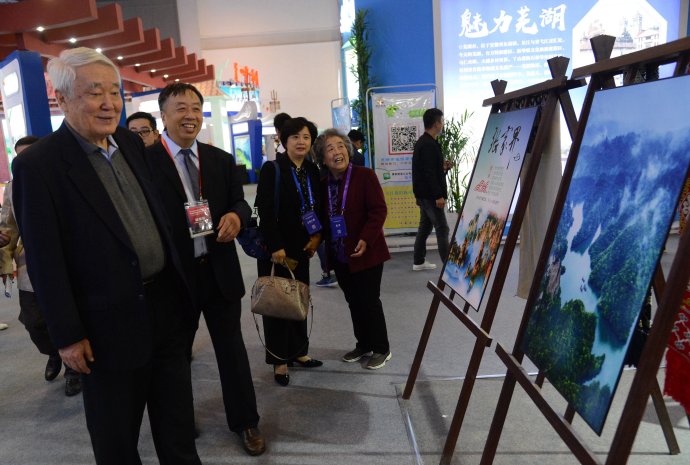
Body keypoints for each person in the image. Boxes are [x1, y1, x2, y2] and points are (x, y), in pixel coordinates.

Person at [12, 47, 201, 465]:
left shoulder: (131, 143)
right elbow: (44, 260)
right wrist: (66, 335)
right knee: (117, 442)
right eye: (94, 92)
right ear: (62, 99)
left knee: (179, 432)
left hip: (165, 310)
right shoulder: (38, 166)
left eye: (114, 92)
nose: (109, 103)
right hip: (103, 329)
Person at [147, 82, 266, 456]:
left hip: (218, 272)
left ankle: (246, 422)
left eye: (196, 108)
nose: (190, 116)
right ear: (163, 115)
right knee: (175, 358)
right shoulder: (145, 163)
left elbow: (240, 203)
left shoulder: (220, 159)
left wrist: (236, 216)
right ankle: (180, 424)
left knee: (232, 351)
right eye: (180, 108)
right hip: (173, 280)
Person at [0, 136, 82, 396]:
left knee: (67, 316)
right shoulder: (13, 188)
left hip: (66, 263)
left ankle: (72, 369)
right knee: (34, 322)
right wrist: (5, 256)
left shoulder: (62, 179)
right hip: (29, 266)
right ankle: (54, 352)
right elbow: (8, 226)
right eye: (19, 157)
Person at [315, 129, 392, 369]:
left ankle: (381, 348)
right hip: (341, 253)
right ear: (323, 158)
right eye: (330, 149)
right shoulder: (323, 184)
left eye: (341, 146)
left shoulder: (364, 175)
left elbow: (378, 210)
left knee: (369, 300)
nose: (337, 151)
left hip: (367, 251)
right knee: (353, 301)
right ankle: (364, 344)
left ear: (348, 150)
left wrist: (366, 238)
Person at [255, 117, 323, 386]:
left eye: (306, 137)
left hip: (302, 247)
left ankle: (298, 352)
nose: (301, 142)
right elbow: (264, 210)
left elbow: (317, 206)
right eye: (295, 137)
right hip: (277, 249)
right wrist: (275, 246)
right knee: (276, 303)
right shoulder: (273, 169)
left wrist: (316, 237)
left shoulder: (312, 169)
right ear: (284, 140)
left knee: (298, 298)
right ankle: (279, 360)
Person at [411, 108, 450, 271]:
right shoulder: (428, 144)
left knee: (425, 227)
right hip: (430, 196)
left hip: (425, 194)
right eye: (441, 121)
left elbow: (430, 169)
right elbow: (428, 173)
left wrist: (443, 167)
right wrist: (438, 195)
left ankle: (418, 261)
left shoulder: (426, 142)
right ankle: (449, 267)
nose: (442, 124)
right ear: (436, 123)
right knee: (442, 228)